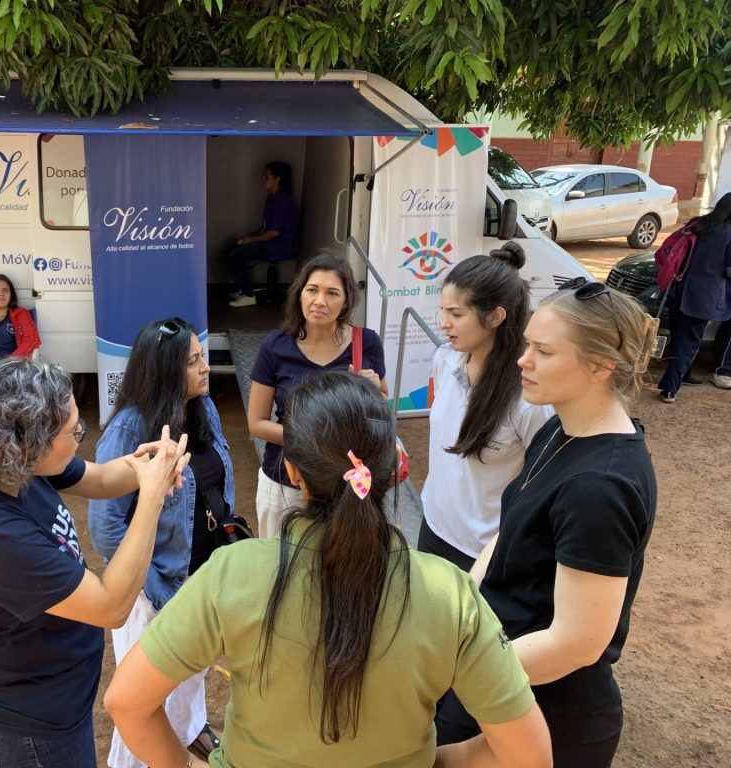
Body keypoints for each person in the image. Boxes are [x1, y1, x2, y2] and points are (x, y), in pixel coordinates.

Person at [104, 371, 552, 768]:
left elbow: (126, 701)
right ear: (393, 467)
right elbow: (528, 755)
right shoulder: (449, 593)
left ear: (294, 472)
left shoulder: (232, 573)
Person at [0, 357, 189, 768]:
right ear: (29, 444)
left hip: (45, 694)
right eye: (74, 432)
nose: (80, 436)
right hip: (25, 724)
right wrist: (151, 499)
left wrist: (146, 469)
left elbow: (100, 479)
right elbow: (112, 606)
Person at [436, 283, 659, 767]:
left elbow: (575, 642)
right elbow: (509, 530)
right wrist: (462, 616)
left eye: (543, 351)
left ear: (600, 366)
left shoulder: (600, 486)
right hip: (499, 669)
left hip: (542, 708)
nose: (522, 361)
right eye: (527, 345)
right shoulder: (561, 427)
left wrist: (458, 669)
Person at [89, 317, 234, 767]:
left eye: (201, 356)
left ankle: (190, 732)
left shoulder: (201, 409)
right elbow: (107, 529)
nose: (205, 368)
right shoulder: (129, 430)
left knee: (190, 675)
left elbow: (218, 484)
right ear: (165, 370)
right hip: (152, 591)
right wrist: (158, 593)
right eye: (193, 361)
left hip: (201, 577)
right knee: (143, 703)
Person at [419, 243, 553, 571]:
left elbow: (543, 486)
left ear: (495, 316)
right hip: (432, 527)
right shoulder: (444, 360)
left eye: (456, 314)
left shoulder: (529, 397)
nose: (443, 324)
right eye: (443, 311)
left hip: (483, 552)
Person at [248, 251, 387, 537]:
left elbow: (383, 412)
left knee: (340, 566)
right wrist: (317, 440)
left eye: (332, 293)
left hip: (345, 487)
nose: (320, 301)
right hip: (284, 481)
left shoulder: (367, 343)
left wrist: (375, 392)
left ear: (346, 301)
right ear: (300, 295)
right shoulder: (275, 346)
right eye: (312, 290)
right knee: (277, 564)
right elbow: (257, 423)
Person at [657, 192, 731, 402]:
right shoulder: (728, 233)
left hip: (678, 288)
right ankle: (669, 388)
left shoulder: (697, 224)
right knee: (689, 340)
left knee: (680, 336)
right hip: (704, 297)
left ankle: (685, 373)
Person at [224, 161, 298, 308]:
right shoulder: (271, 197)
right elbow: (266, 227)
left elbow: (274, 232)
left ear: (278, 179)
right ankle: (245, 289)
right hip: (269, 242)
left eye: (266, 176)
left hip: (279, 245)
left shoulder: (282, 200)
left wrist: (251, 239)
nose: (262, 179)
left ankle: (249, 295)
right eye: (262, 176)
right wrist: (249, 237)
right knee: (231, 248)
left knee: (235, 255)